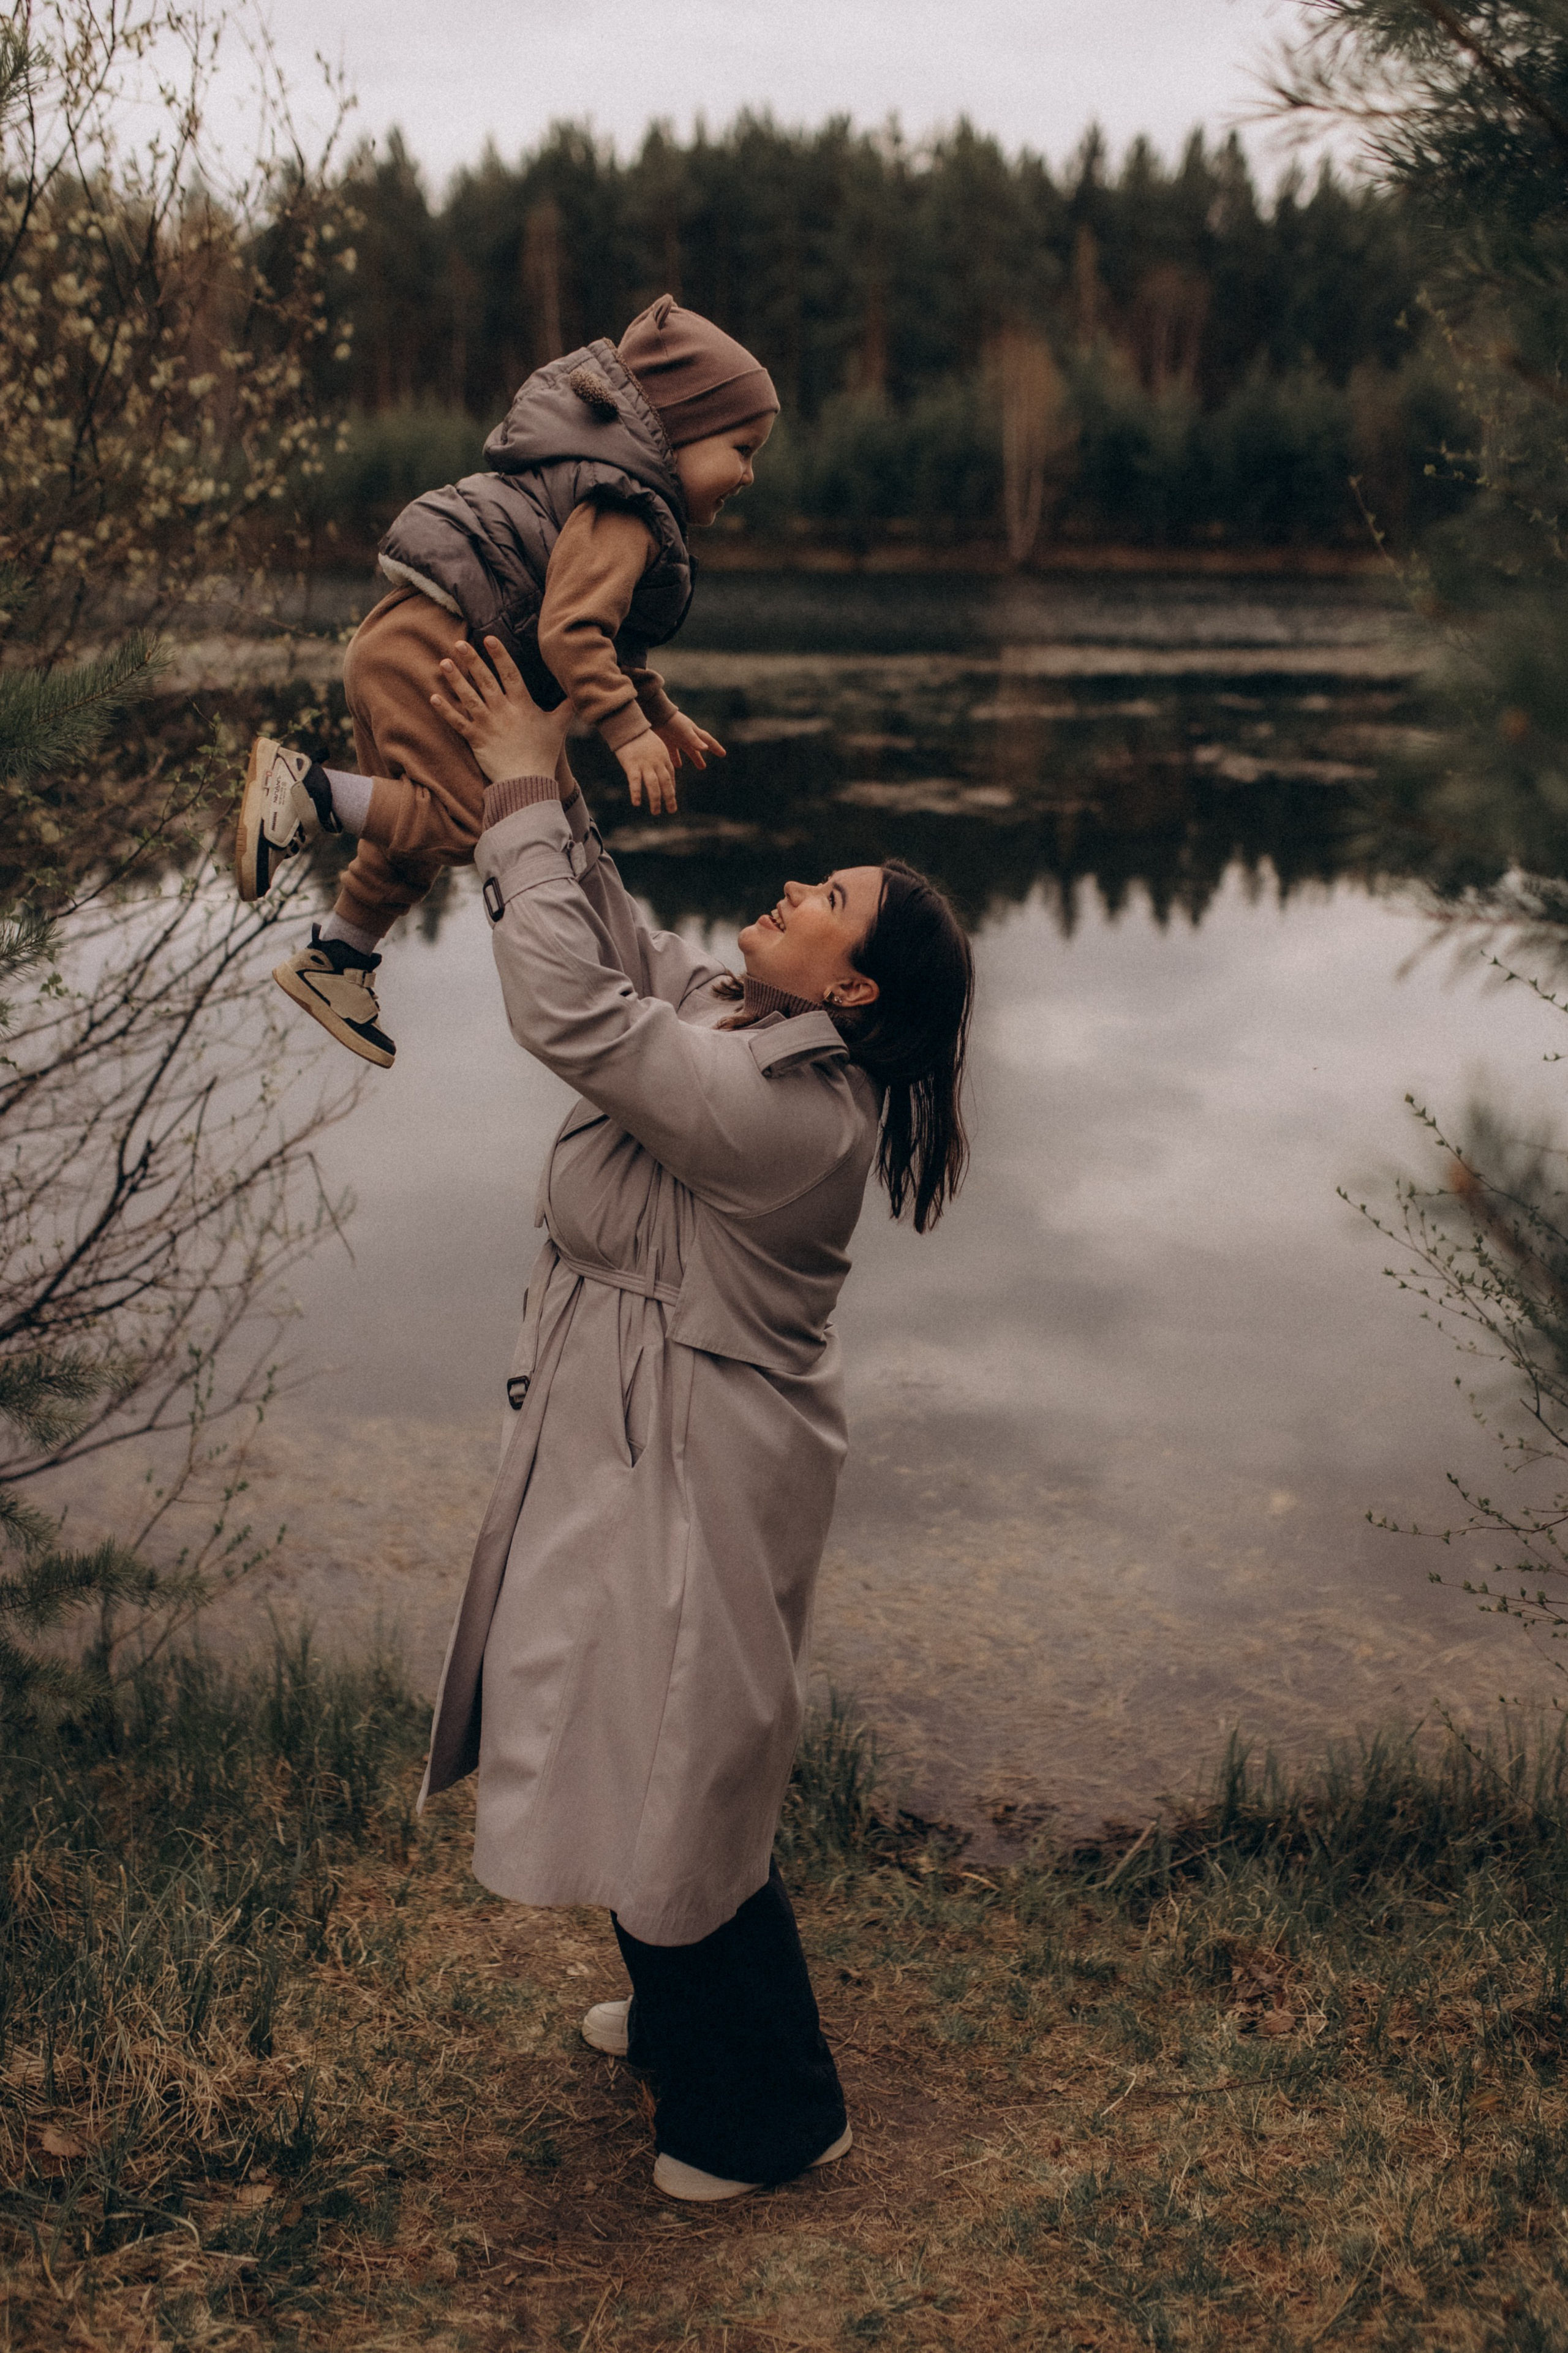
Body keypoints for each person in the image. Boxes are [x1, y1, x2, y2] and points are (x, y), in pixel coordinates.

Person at [418, 630, 974, 2204]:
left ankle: (768, 2116)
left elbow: (578, 1023)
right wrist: (552, 796)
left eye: (827, 902)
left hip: (699, 1458)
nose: (794, 889)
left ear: (851, 984)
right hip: (631, 1423)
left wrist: (525, 790)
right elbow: (623, 955)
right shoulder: (749, 1016)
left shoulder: (791, 1115)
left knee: (684, 1749)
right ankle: (676, 2013)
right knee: (618, 1716)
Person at [232, 296, 778, 1069]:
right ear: (681, 431)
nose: (749, 473)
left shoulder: (612, 492)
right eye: (742, 446)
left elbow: (602, 632)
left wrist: (658, 710)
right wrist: (625, 731)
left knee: (411, 831)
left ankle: (338, 960)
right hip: (438, 655)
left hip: (411, 642)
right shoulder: (628, 512)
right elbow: (570, 632)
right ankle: (308, 794)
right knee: (479, 825)